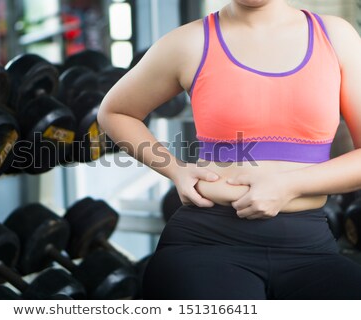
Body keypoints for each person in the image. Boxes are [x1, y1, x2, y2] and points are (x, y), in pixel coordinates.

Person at [98, 0, 361, 299]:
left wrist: (288, 184)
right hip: (207, 242)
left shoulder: (336, 36)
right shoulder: (189, 41)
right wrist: (175, 169)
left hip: (311, 245)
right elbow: (115, 112)